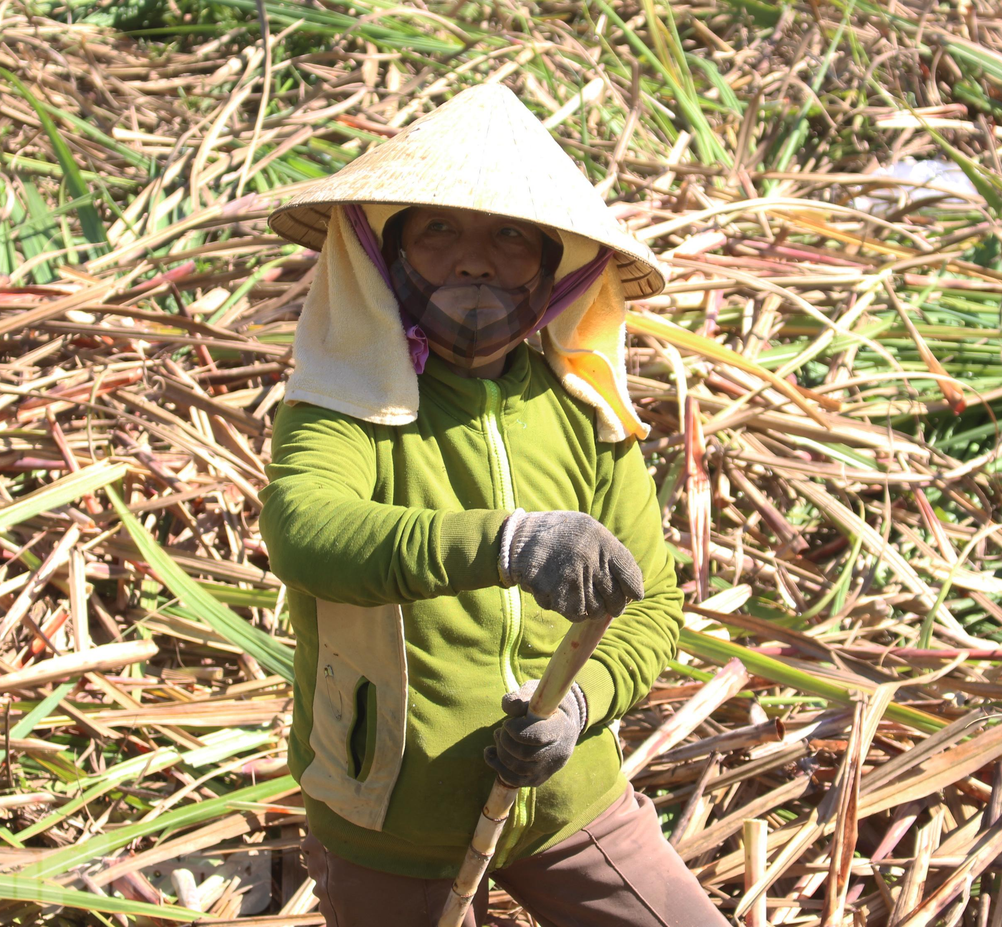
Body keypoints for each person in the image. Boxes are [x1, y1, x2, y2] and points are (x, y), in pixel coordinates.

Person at [262, 83, 730, 927]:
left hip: (569, 802)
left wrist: (580, 705)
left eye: (510, 236)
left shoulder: (585, 414)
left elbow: (652, 601)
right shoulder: (345, 405)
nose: (474, 262)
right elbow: (306, 531)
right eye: (439, 231)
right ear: (385, 252)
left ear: (557, 268)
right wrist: (510, 542)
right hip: (388, 819)